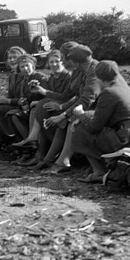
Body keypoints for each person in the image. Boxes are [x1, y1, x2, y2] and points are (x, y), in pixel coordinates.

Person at [72, 60, 130, 183]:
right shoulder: (124, 89)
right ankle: (106, 165)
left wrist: (81, 115)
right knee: (89, 122)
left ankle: (98, 172)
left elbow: (94, 127)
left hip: (127, 139)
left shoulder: (108, 92)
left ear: (99, 78)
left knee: (80, 129)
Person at [43, 44, 100, 173]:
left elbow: (87, 100)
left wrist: (63, 114)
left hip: (101, 110)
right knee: (65, 117)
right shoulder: (80, 70)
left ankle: (63, 161)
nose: (61, 61)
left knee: (73, 117)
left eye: (63, 57)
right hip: (88, 107)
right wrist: (63, 112)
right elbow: (73, 96)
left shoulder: (94, 71)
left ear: (73, 60)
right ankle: (48, 158)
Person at [13, 49, 71, 161]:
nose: (54, 64)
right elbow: (48, 94)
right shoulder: (53, 77)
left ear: (63, 62)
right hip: (51, 107)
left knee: (38, 110)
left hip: (64, 108)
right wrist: (37, 91)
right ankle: (37, 153)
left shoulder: (68, 76)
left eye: (57, 61)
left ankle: (33, 143)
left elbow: (66, 97)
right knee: (35, 114)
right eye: (51, 62)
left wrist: (43, 92)